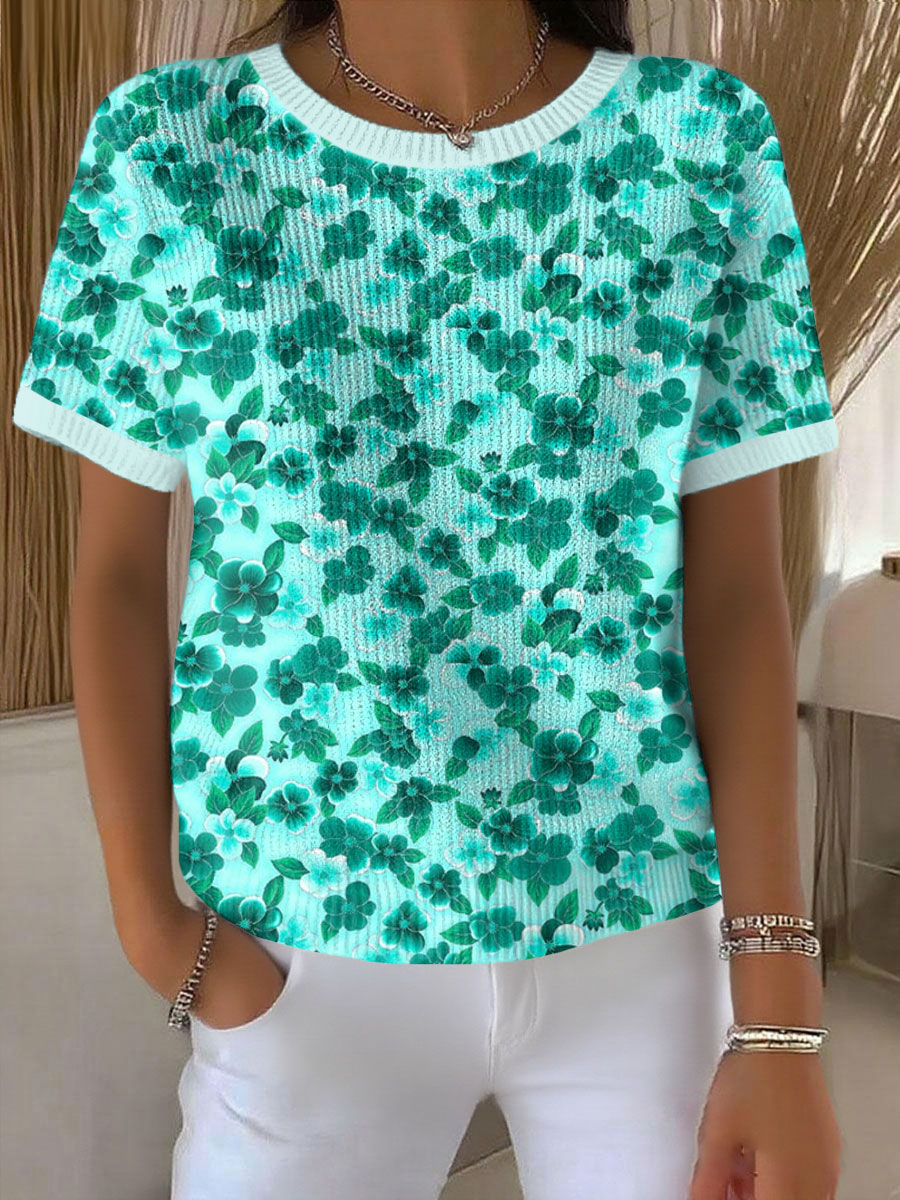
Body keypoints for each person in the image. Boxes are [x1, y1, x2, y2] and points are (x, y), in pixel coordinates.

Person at [11, 1, 844, 1197]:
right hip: (301, 958)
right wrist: (159, 930)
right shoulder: (169, 146)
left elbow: (737, 596)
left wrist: (780, 1019)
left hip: (646, 942)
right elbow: (118, 578)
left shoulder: (699, 140)